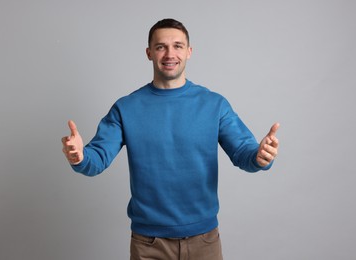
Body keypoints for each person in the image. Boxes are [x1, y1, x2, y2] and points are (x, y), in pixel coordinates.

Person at [62, 18, 279, 260]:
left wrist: (260, 157)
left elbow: (243, 152)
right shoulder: (126, 108)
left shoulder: (214, 104)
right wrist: (80, 157)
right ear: (149, 53)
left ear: (189, 52)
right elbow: (97, 159)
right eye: (160, 46)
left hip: (204, 240)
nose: (169, 54)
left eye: (177, 46)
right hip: (148, 244)